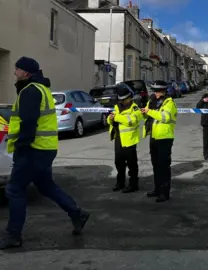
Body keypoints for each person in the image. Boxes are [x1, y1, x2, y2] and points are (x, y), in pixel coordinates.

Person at [0, 57, 89, 250]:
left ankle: (13, 236)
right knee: (46, 186)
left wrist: (21, 147)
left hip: (33, 149)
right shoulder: (41, 89)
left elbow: (28, 123)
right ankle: (77, 214)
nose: (14, 72)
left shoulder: (30, 91)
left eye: (17, 69)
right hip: (44, 149)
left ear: (26, 72)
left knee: (14, 190)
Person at [142, 81, 177, 202]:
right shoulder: (151, 101)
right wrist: (143, 112)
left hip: (165, 138)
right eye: (154, 91)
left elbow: (165, 117)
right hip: (154, 137)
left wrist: (149, 112)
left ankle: (164, 192)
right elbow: (146, 115)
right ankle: (157, 189)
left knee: (164, 166)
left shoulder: (169, 103)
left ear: (163, 91)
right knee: (156, 165)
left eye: (158, 91)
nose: (155, 93)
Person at [107, 83, 142, 193]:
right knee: (118, 162)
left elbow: (131, 120)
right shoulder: (117, 107)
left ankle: (133, 184)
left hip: (130, 139)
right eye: (120, 99)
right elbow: (110, 120)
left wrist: (117, 117)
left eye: (124, 99)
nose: (122, 101)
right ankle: (120, 182)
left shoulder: (135, 108)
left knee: (132, 164)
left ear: (129, 98)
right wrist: (111, 118)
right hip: (118, 137)